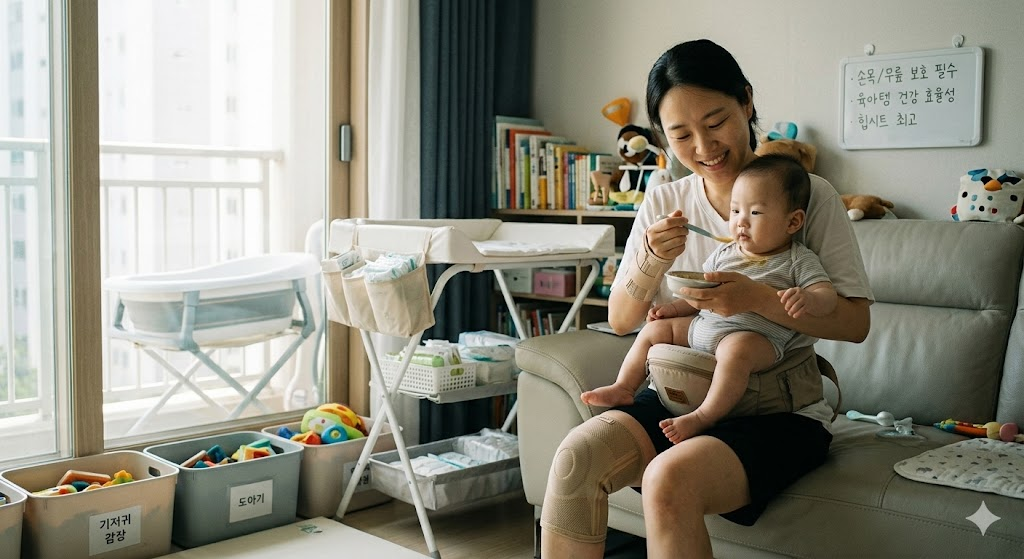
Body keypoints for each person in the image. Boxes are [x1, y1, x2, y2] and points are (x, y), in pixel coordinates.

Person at [540, 39, 873, 559]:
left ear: (746, 102)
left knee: (669, 479)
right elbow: (625, 321)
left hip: (778, 408)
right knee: (577, 459)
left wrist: (758, 299)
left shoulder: (806, 195)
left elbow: (856, 324)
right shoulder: (665, 199)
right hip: (681, 393)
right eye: (680, 134)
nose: (703, 146)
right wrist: (651, 259)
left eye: (715, 120)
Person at [580, 154, 838, 444]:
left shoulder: (796, 260)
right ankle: (625, 386)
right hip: (703, 329)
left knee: (736, 352)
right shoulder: (724, 254)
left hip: (755, 340)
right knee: (654, 331)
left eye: (755, 213)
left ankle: (704, 416)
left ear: (793, 221)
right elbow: (700, 294)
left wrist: (810, 300)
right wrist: (672, 309)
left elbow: (826, 295)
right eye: (736, 211)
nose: (741, 222)